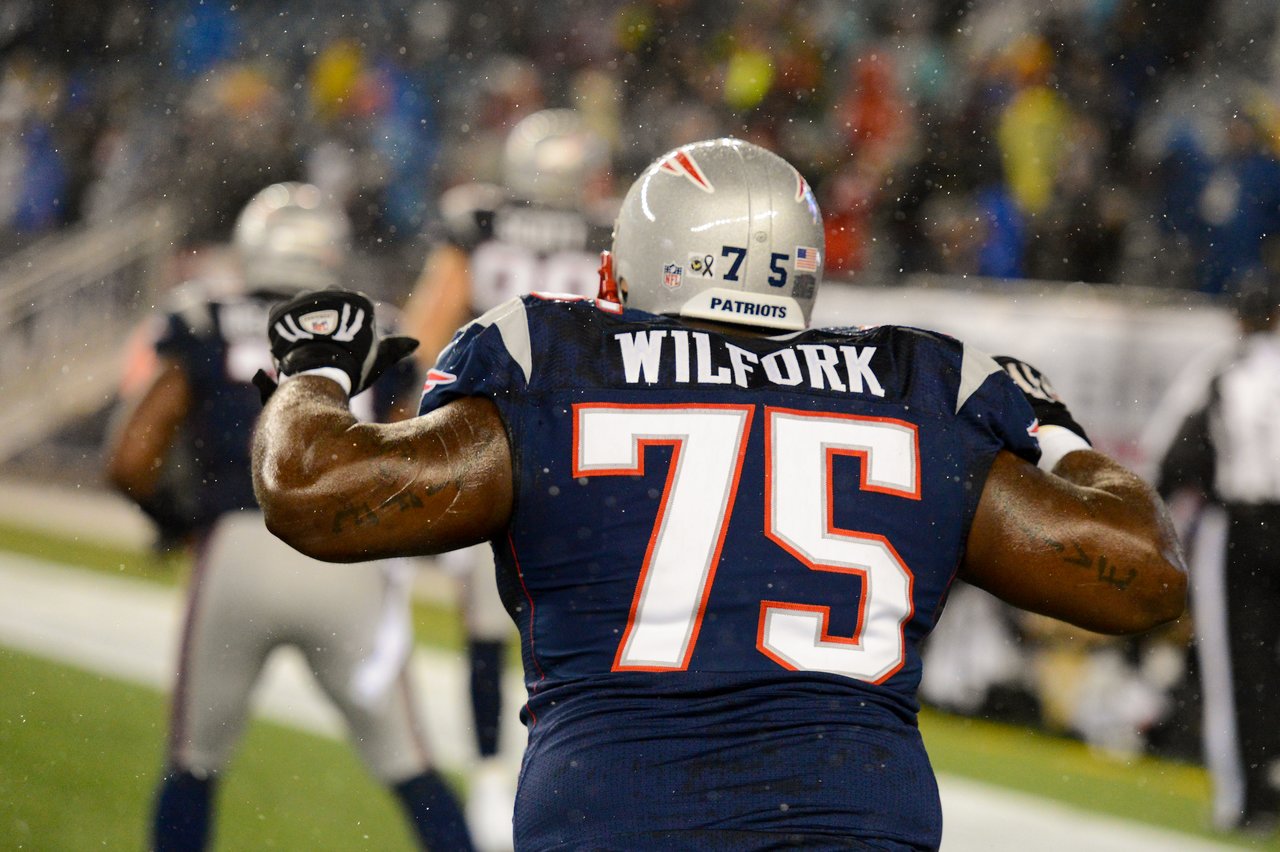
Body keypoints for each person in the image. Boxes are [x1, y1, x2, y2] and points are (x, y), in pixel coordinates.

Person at [251, 139, 1186, 850]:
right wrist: (1057, 433)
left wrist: (314, 372)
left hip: (614, 814)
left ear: (634, 266)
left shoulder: (556, 358)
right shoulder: (923, 387)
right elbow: (1141, 575)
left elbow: (314, 491)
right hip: (854, 817)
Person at [105, 182, 474, 851]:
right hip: (344, 557)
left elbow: (131, 458)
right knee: (412, 767)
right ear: (330, 250)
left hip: (238, 550)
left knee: (193, 766)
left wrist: (175, 520)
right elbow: (406, 454)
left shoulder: (204, 312)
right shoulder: (376, 321)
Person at [399, 106, 614, 848]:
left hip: (486, 437)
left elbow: (427, 325)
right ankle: (562, 764)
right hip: (582, 444)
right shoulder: (605, 232)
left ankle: (493, 771)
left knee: (486, 621)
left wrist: (408, 423)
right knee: (572, 613)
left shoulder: (479, 220)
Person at [1145, 271, 1280, 835]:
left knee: (1238, 670)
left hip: (1243, 528)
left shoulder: (1224, 369)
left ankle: (1246, 802)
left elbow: (1172, 459)